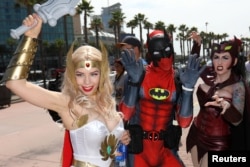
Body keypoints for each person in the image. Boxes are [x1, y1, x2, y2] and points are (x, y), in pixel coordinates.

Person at [0, 13, 131, 167]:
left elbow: (105, 148)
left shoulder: (108, 102)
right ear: (71, 75)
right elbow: (14, 84)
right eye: (80, 74)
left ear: (102, 74)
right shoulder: (67, 103)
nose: (87, 81)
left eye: (93, 74)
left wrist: (121, 137)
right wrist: (30, 38)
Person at [118, 30, 204, 167]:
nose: (164, 55)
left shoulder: (177, 78)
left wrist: (188, 88)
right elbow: (125, 114)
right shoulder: (139, 74)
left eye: (166, 48)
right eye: (157, 51)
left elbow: (184, 122)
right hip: (139, 150)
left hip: (165, 150)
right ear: (150, 52)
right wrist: (133, 82)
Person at [186, 38, 250, 167]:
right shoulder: (208, 75)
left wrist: (227, 107)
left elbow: (238, 120)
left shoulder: (238, 86)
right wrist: (197, 46)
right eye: (216, 57)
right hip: (196, 133)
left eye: (225, 57)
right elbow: (193, 65)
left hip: (218, 142)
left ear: (234, 61)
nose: (219, 61)